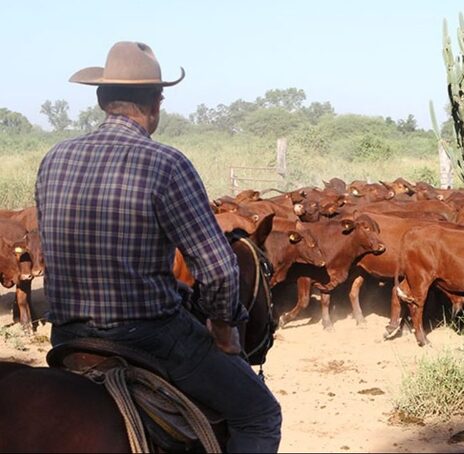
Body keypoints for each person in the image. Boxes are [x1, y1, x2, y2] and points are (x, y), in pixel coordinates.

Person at [35, 41, 282, 453]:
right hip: (147, 336)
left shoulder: (53, 158)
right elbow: (220, 271)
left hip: (66, 334)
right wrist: (223, 328)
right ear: (156, 102)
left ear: (100, 99)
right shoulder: (166, 164)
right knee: (259, 415)